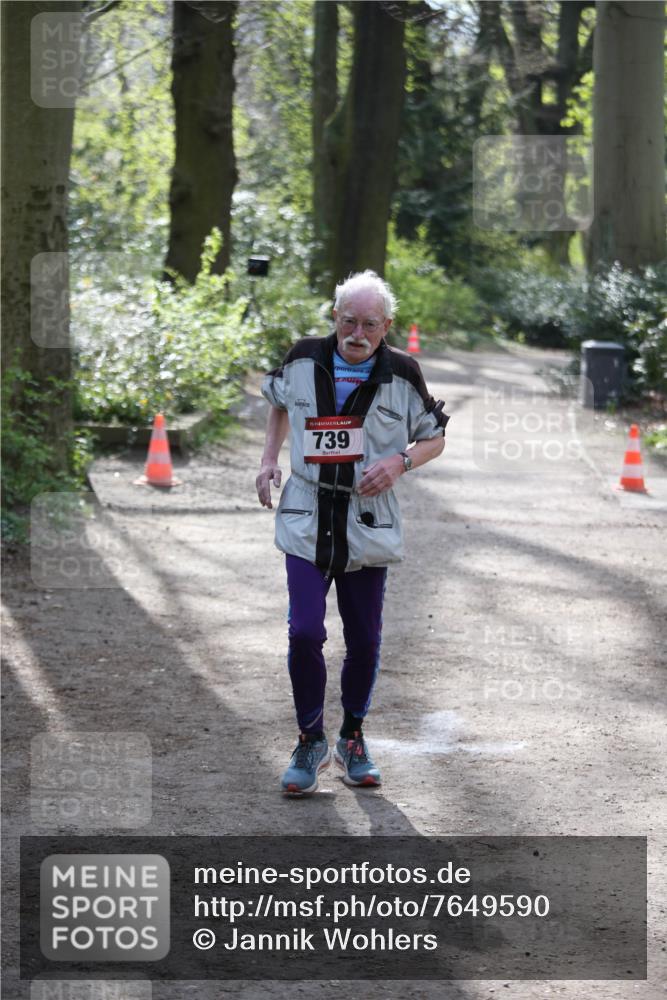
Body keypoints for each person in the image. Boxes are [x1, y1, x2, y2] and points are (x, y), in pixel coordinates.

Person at [256, 270, 448, 795]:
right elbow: (275, 398)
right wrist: (270, 459)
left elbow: (433, 439)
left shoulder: (403, 373)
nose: (356, 333)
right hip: (307, 515)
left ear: (387, 326)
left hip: (368, 522)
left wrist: (400, 462)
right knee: (304, 632)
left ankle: (353, 737)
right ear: (334, 318)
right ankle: (309, 739)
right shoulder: (302, 358)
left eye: (368, 324)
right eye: (347, 321)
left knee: (363, 639)